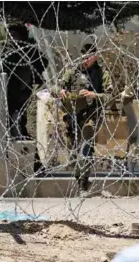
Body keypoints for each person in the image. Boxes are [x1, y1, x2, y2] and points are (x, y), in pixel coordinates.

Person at [55, 43, 113, 196]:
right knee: (73, 151)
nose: (85, 60)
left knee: (85, 147)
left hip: (91, 115)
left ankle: (83, 184)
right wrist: (60, 91)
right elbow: (56, 87)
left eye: (89, 57)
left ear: (95, 57)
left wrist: (94, 95)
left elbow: (110, 96)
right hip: (72, 115)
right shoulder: (72, 72)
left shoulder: (102, 74)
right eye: (83, 57)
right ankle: (79, 179)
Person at [0, 22, 48, 138]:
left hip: (22, 91)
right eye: (9, 36)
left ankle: (20, 142)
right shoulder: (7, 51)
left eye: (14, 36)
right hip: (7, 92)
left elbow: (43, 62)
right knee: (9, 120)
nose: (11, 39)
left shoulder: (28, 51)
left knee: (18, 120)